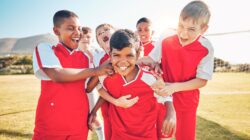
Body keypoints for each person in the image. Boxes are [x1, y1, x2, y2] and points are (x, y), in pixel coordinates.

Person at [32, 10, 113, 140]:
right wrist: (97, 70)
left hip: (79, 125)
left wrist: (109, 64)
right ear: (56, 31)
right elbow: (57, 75)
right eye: (71, 28)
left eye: (79, 28)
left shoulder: (85, 58)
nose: (77, 33)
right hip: (51, 125)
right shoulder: (45, 49)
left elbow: (90, 88)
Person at [143, 1, 214, 140]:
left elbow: (202, 81)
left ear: (204, 29)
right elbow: (151, 59)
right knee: (163, 137)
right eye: (181, 25)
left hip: (187, 103)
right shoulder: (166, 36)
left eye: (192, 29)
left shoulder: (206, 47)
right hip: (163, 99)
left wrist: (174, 87)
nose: (184, 33)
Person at [98, 29, 168, 140]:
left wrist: (171, 113)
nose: (123, 61)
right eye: (117, 55)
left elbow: (166, 96)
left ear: (136, 56)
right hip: (118, 136)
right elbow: (100, 88)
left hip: (146, 136)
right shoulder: (106, 76)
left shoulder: (149, 78)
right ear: (110, 56)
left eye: (129, 55)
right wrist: (115, 102)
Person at [136, 17, 175, 140]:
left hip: (160, 96)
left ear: (152, 32)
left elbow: (167, 67)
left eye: (146, 30)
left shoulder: (158, 47)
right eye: (140, 30)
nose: (143, 33)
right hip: (143, 99)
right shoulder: (134, 49)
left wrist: (158, 64)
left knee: (163, 132)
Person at [78, 26, 104, 140]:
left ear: (92, 39)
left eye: (88, 36)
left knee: (93, 117)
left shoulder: (96, 53)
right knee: (78, 119)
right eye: (82, 36)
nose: (85, 39)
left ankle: (102, 137)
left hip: (91, 90)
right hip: (75, 90)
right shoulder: (74, 52)